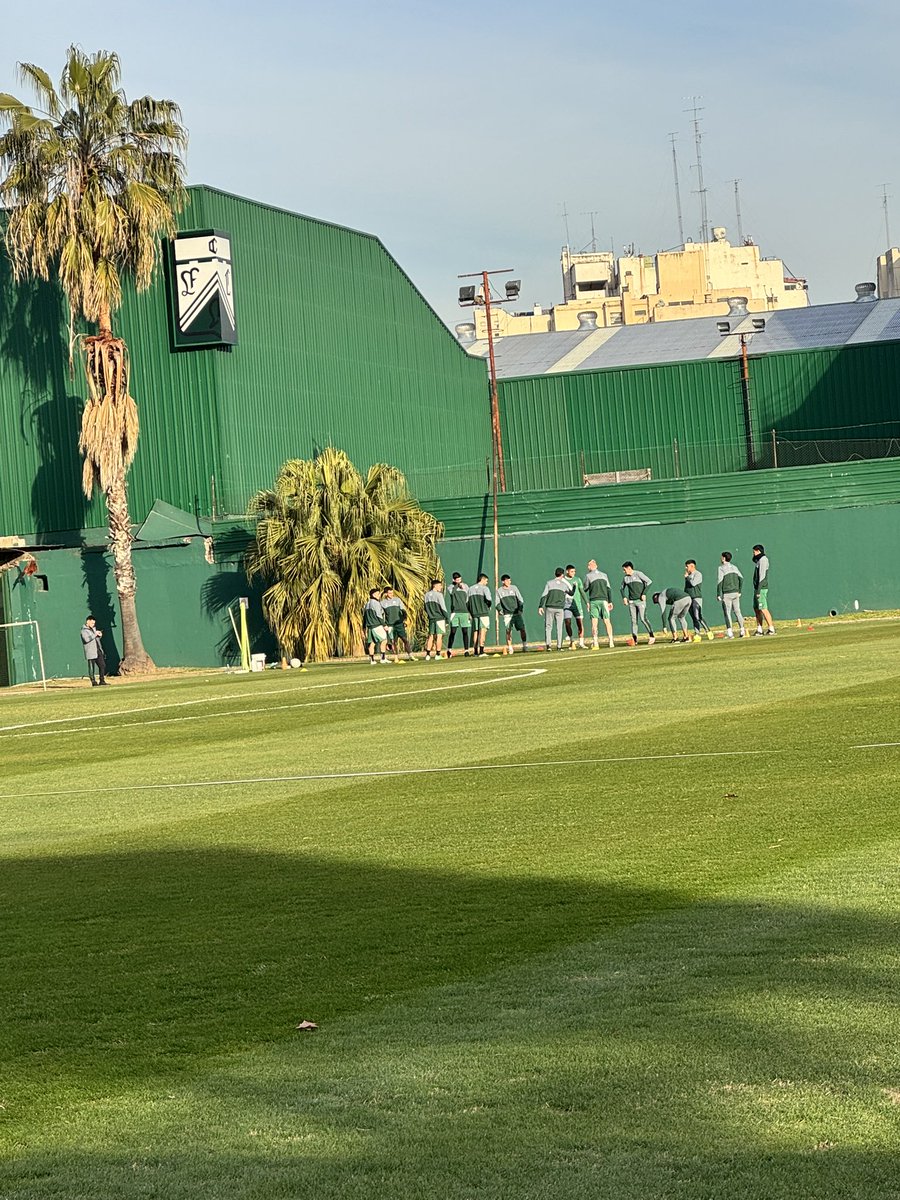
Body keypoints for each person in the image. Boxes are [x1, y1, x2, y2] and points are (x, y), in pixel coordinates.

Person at [620, 562, 655, 646]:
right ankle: (635, 639)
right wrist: (624, 597)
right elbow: (621, 588)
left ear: (629, 568)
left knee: (643, 619)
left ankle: (651, 636)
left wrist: (644, 593)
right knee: (634, 621)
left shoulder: (638, 574)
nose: (624, 571)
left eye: (624, 569)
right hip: (632, 602)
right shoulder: (625, 578)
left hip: (640, 601)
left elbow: (649, 582)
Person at [539, 567, 573, 650]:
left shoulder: (549, 583)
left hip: (549, 607)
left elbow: (544, 595)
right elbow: (571, 593)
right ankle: (559, 646)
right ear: (562, 575)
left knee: (548, 627)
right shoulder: (564, 585)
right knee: (559, 627)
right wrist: (574, 586)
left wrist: (540, 606)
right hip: (559, 608)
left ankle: (548, 646)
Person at [584, 559, 615, 649]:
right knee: (607, 621)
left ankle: (595, 642)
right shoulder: (604, 575)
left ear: (590, 567)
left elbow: (585, 588)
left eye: (588, 565)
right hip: (604, 601)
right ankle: (611, 641)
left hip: (594, 601)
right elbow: (608, 589)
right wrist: (610, 601)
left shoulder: (588, 576)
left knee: (594, 622)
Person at [716, 552, 746, 639]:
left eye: (722, 557)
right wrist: (739, 590)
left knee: (727, 613)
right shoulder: (734, 567)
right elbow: (741, 578)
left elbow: (720, 581)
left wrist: (718, 594)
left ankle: (730, 633)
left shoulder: (721, 568)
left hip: (727, 593)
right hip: (736, 592)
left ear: (724, 558)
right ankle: (742, 630)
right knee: (737, 611)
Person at [495, 573, 528, 653]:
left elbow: (520, 600)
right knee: (508, 630)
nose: (509, 582)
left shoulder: (514, 588)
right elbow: (497, 603)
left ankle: (525, 645)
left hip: (516, 613)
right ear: (503, 581)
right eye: (507, 580)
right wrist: (500, 610)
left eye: (509, 580)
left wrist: (520, 609)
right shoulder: (499, 591)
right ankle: (510, 647)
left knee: (522, 629)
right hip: (507, 614)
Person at [381, 586, 414, 661]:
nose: (392, 594)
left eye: (392, 593)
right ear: (386, 594)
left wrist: (405, 619)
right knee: (394, 642)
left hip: (399, 624)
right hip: (390, 625)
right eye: (390, 593)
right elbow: (381, 615)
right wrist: (384, 625)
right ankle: (396, 657)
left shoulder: (397, 600)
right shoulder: (382, 603)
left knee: (405, 640)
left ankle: (411, 656)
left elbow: (403, 610)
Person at [684, 559, 713, 641]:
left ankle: (708, 631)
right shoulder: (688, 576)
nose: (686, 568)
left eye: (687, 566)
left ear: (692, 566)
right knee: (693, 617)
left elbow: (693, 583)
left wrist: (687, 577)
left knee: (698, 616)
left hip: (696, 598)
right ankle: (697, 634)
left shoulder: (698, 574)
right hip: (689, 598)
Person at [752, 544, 776, 636]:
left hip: (761, 589)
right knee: (756, 609)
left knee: (763, 608)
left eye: (754, 552)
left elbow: (762, 576)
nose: (753, 553)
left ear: (758, 551)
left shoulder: (763, 560)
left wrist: (758, 590)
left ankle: (771, 629)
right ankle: (759, 629)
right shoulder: (759, 560)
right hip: (757, 588)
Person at [466, 573, 493, 656]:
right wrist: (488, 606)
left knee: (476, 631)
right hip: (483, 613)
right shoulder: (485, 588)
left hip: (474, 613)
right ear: (482, 579)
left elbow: (467, 602)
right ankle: (481, 651)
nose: (487, 583)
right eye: (486, 581)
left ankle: (475, 651)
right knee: (483, 631)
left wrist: (471, 612)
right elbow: (489, 599)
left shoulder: (470, 589)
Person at [446, 572, 472, 658]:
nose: (459, 581)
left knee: (465, 631)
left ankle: (466, 650)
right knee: (453, 631)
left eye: (460, 579)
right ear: (453, 580)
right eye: (457, 579)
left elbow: (468, 599)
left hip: (464, 612)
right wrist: (457, 585)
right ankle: (449, 650)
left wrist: (469, 612)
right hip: (455, 612)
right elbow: (452, 593)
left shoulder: (466, 586)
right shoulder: (450, 587)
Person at [423, 579, 448, 660]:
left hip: (431, 618)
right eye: (440, 585)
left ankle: (428, 655)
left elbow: (425, 607)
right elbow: (443, 608)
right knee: (439, 636)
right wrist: (447, 618)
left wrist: (430, 614)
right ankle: (437, 654)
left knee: (431, 636)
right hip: (439, 618)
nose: (441, 587)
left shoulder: (426, 595)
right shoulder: (439, 595)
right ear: (435, 586)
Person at [563, 564, 587, 649]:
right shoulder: (563, 580)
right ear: (567, 571)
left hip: (577, 605)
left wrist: (587, 602)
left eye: (574, 571)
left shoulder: (577, 579)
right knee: (567, 622)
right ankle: (571, 641)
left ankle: (581, 643)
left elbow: (582, 591)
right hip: (567, 605)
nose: (573, 573)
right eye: (572, 571)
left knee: (580, 623)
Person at [363, 589, 390, 664]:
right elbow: (379, 615)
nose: (379, 595)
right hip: (377, 626)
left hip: (370, 627)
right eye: (378, 594)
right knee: (384, 640)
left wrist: (364, 628)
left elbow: (364, 618)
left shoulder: (367, 604)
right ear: (373, 595)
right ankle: (383, 658)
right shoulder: (376, 603)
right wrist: (384, 625)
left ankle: (372, 660)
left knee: (372, 643)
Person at [81, 615, 107, 686]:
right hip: (90, 652)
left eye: (94, 623)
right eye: (92, 623)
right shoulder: (83, 631)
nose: (93, 624)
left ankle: (102, 680)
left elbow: (96, 639)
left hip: (98, 650)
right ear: (88, 621)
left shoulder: (94, 629)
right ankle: (93, 681)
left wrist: (99, 635)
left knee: (102, 665)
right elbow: (86, 639)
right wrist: (95, 634)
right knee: (92, 667)